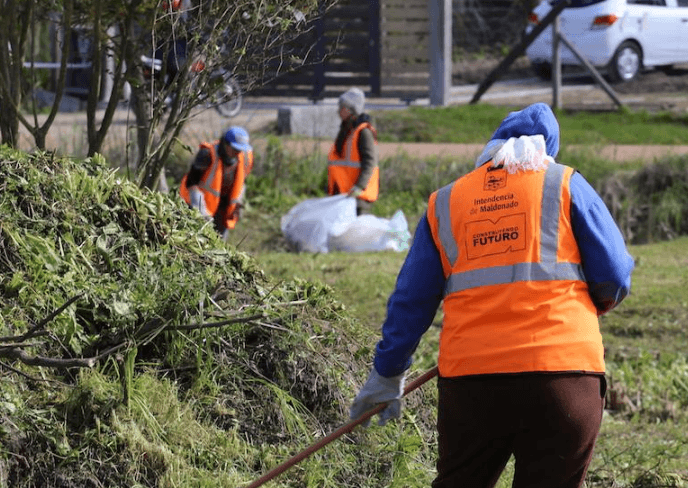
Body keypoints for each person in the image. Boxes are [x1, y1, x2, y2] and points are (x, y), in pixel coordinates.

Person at [349, 102, 635, 488]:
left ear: (492, 145)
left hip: (473, 385)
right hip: (564, 378)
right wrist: (595, 302)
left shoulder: (447, 200)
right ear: (548, 149)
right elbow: (615, 274)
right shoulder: (565, 183)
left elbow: (411, 300)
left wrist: (388, 373)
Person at [179, 126, 254, 236]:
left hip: (223, 209)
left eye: (240, 150)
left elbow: (241, 182)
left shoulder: (246, 158)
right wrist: (200, 211)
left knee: (218, 242)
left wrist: (238, 202)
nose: (237, 153)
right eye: (235, 149)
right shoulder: (207, 154)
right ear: (225, 144)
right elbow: (191, 183)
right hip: (198, 206)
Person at [327, 87, 379, 216]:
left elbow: (370, 162)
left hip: (358, 198)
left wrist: (359, 187)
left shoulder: (363, 132)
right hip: (345, 195)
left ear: (351, 109)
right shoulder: (346, 131)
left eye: (342, 107)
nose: (338, 111)